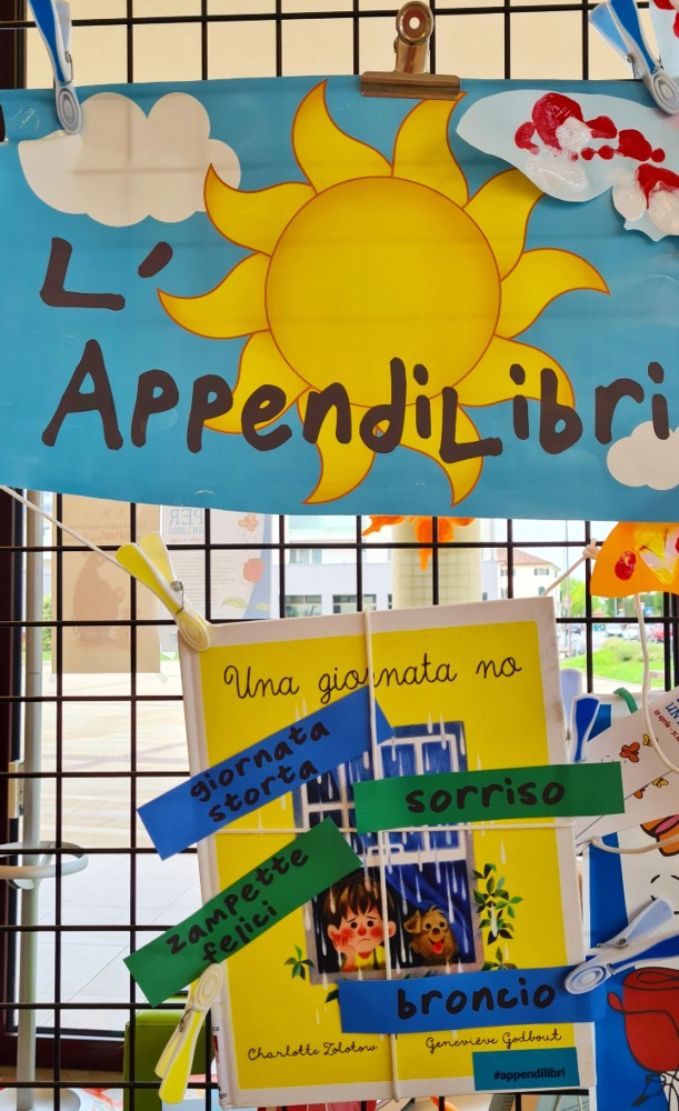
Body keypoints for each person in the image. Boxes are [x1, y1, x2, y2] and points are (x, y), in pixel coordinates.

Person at [323, 870, 396, 973]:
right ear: (334, 933)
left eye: (370, 923)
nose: (362, 931)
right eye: (353, 924)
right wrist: (350, 956)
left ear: (389, 929)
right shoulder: (349, 954)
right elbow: (345, 978)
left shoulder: (382, 953)